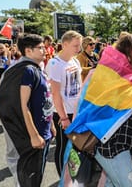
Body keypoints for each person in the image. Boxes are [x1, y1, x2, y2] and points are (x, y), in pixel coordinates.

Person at [65, 32, 132, 187]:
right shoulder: (107, 73)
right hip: (111, 141)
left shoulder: (130, 74)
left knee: (112, 183)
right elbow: (112, 105)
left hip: (127, 139)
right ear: (125, 49)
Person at [0, 34, 56, 186]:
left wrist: (51, 126)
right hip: (31, 138)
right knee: (28, 181)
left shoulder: (36, 68)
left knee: (36, 178)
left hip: (43, 133)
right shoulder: (26, 70)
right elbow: (21, 105)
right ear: (28, 51)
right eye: (41, 48)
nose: (45, 50)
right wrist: (34, 135)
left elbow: (44, 99)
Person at [46, 30, 83, 177]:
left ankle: (72, 178)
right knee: (63, 148)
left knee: (75, 148)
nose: (78, 49)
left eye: (79, 45)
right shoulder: (55, 63)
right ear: (64, 44)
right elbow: (55, 93)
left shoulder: (75, 60)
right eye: (75, 46)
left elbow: (79, 86)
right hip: (63, 113)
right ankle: (63, 178)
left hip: (76, 112)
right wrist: (63, 117)